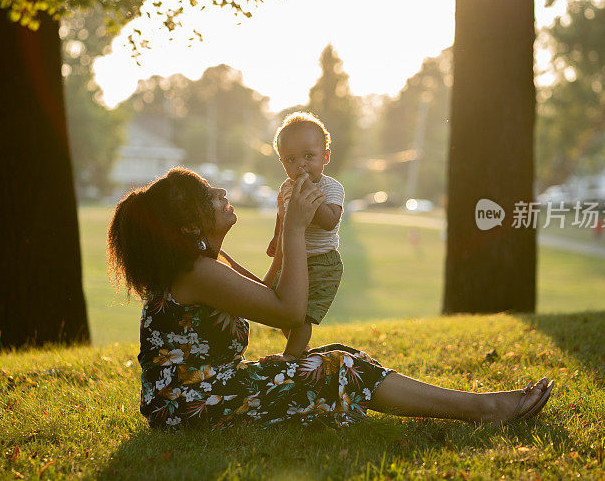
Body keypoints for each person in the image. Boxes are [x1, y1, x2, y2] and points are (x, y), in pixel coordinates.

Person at [107, 167, 554, 430]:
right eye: (207, 196)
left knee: (339, 357)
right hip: (189, 406)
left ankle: (482, 406)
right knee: (338, 367)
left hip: (202, 394)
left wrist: (287, 227)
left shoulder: (209, 262)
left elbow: (270, 299)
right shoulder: (198, 271)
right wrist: (298, 229)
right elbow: (289, 310)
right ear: (188, 228)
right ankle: (486, 408)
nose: (221, 193)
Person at [266, 112, 344, 362]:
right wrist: (276, 237)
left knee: (301, 315)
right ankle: (302, 352)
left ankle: (291, 356)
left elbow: (330, 220)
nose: (300, 165)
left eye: (308, 156)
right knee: (282, 312)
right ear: (282, 163)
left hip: (321, 262)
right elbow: (283, 214)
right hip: (293, 261)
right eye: (291, 159)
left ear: (325, 156)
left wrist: (310, 193)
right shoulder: (286, 188)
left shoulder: (332, 188)